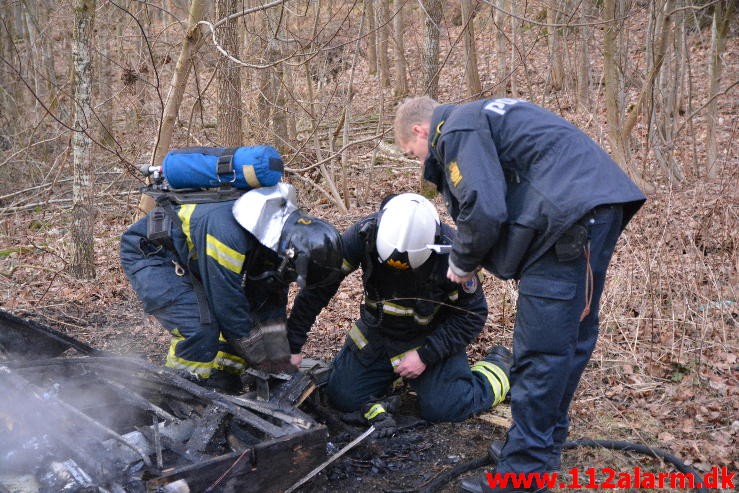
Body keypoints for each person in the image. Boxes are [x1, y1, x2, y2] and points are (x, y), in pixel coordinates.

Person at [394, 97, 646, 493]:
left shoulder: (457, 129)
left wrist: (461, 263)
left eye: (414, 152)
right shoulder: (482, 117)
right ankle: (538, 451)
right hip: (587, 212)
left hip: (567, 226)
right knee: (568, 343)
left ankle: (522, 476)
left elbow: (484, 209)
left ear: (420, 131)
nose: (420, 158)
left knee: (541, 352)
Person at [287, 193, 513, 432]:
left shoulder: (452, 253)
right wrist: (292, 345)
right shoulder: (363, 235)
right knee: (343, 398)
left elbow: (473, 314)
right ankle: (391, 375)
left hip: (429, 338)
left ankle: (500, 366)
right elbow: (319, 287)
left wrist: (426, 355)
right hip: (379, 332)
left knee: (446, 408)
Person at [120, 183, 343, 392]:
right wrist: (262, 359)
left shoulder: (277, 239)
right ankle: (178, 396)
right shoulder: (228, 233)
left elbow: (269, 302)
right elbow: (227, 306)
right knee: (199, 329)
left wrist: (281, 357)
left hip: (196, 257)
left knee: (243, 324)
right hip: (153, 253)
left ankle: (223, 380)